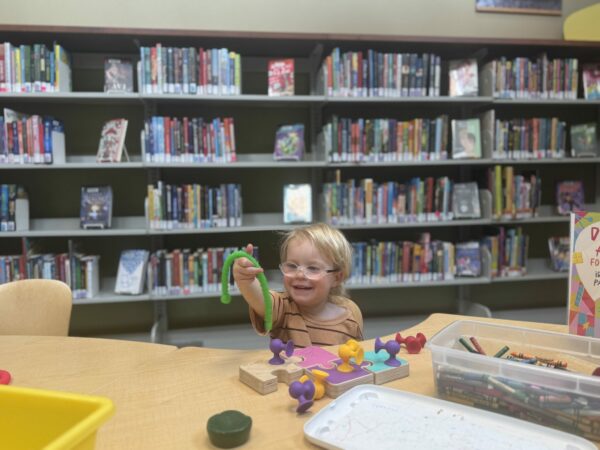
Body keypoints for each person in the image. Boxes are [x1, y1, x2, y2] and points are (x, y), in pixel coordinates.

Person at [233, 223, 363, 347]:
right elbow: (261, 299)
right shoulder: (283, 307)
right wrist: (247, 281)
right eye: (291, 266)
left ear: (337, 277)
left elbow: (356, 359)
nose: (299, 275)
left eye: (313, 268)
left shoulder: (350, 316)